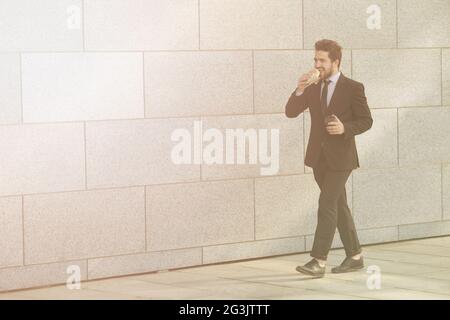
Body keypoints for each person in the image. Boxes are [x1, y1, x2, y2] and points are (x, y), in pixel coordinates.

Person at [285, 39, 373, 277]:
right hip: (318, 157)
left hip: (342, 158)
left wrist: (345, 128)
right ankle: (355, 256)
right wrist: (300, 88)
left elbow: (366, 120)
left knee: (326, 204)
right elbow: (290, 112)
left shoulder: (353, 87)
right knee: (338, 205)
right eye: (315, 59)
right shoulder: (313, 86)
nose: (317, 64)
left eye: (322, 60)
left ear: (335, 61)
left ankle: (318, 260)